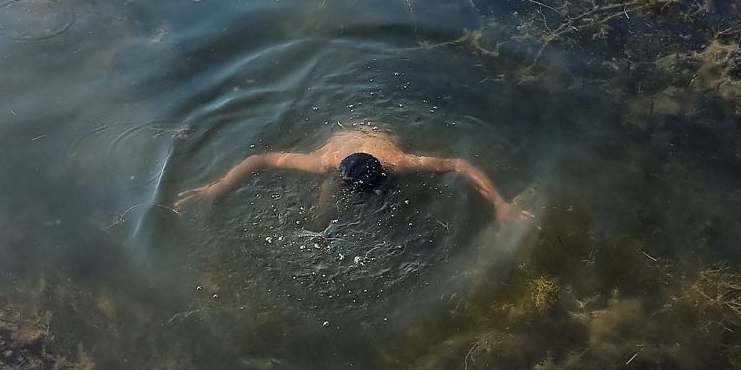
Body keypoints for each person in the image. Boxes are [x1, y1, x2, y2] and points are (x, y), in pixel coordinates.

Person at [174, 127, 532, 223]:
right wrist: (216, 188)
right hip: (346, 140)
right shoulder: (323, 162)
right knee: (320, 215)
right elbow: (260, 159)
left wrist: (500, 204)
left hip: (377, 133)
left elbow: (458, 163)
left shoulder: (399, 163)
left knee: (323, 212)